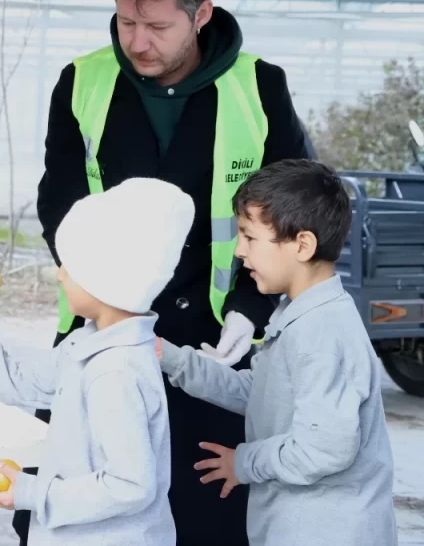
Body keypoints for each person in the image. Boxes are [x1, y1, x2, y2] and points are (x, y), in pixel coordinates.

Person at [29, 0, 311, 546]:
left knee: (208, 520)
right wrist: (94, 294)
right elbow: (60, 203)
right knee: (82, 509)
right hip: (101, 341)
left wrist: (250, 308)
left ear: (202, 13)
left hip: (214, 350)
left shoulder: (260, 87)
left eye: (157, 27)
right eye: (127, 21)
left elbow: (294, 216)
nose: (138, 42)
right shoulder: (82, 82)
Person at [158, 159, 397, 545]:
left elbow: (324, 450)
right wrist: (166, 355)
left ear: (302, 244)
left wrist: (244, 462)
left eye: (249, 237)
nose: (238, 251)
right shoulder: (298, 312)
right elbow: (260, 393)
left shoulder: (321, 331)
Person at [0, 177, 191, 545]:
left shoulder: (115, 372)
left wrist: (32, 493)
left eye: (70, 267)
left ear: (106, 281)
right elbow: (18, 379)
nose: (60, 274)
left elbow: (130, 485)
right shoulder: (88, 346)